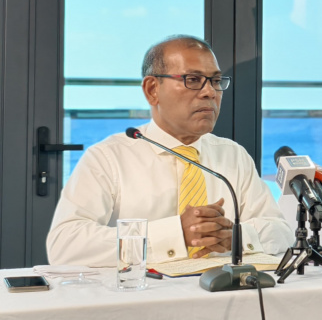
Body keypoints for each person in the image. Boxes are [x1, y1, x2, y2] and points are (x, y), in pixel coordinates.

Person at [47, 36, 291, 266]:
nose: (210, 92)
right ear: (152, 89)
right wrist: (174, 235)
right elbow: (65, 245)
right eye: (193, 80)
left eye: (216, 81)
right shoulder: (108, 158)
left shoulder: (233, 155)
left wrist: (236, 237)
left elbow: (281, 232)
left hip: (222, 291)